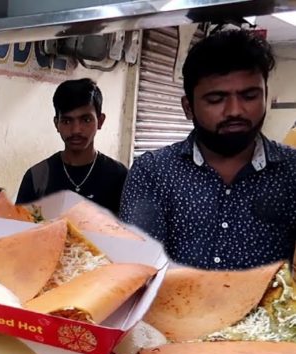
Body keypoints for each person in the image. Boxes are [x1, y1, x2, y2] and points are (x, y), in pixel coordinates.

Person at [120, 29, 296, 270]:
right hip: (173, 306)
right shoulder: (153, 172)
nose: (235, 110)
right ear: (188, 107)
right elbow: (136, 268)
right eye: (216, 99)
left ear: (265, 95)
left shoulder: (291, 172)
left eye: (249, 96)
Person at [15, 78, 127, 215]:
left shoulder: (119, 176)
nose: (76, 130)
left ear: (100, 121)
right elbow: (20, 229)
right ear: (56, 124)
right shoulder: (37, 177)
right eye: (67, 121)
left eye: (86, 120)